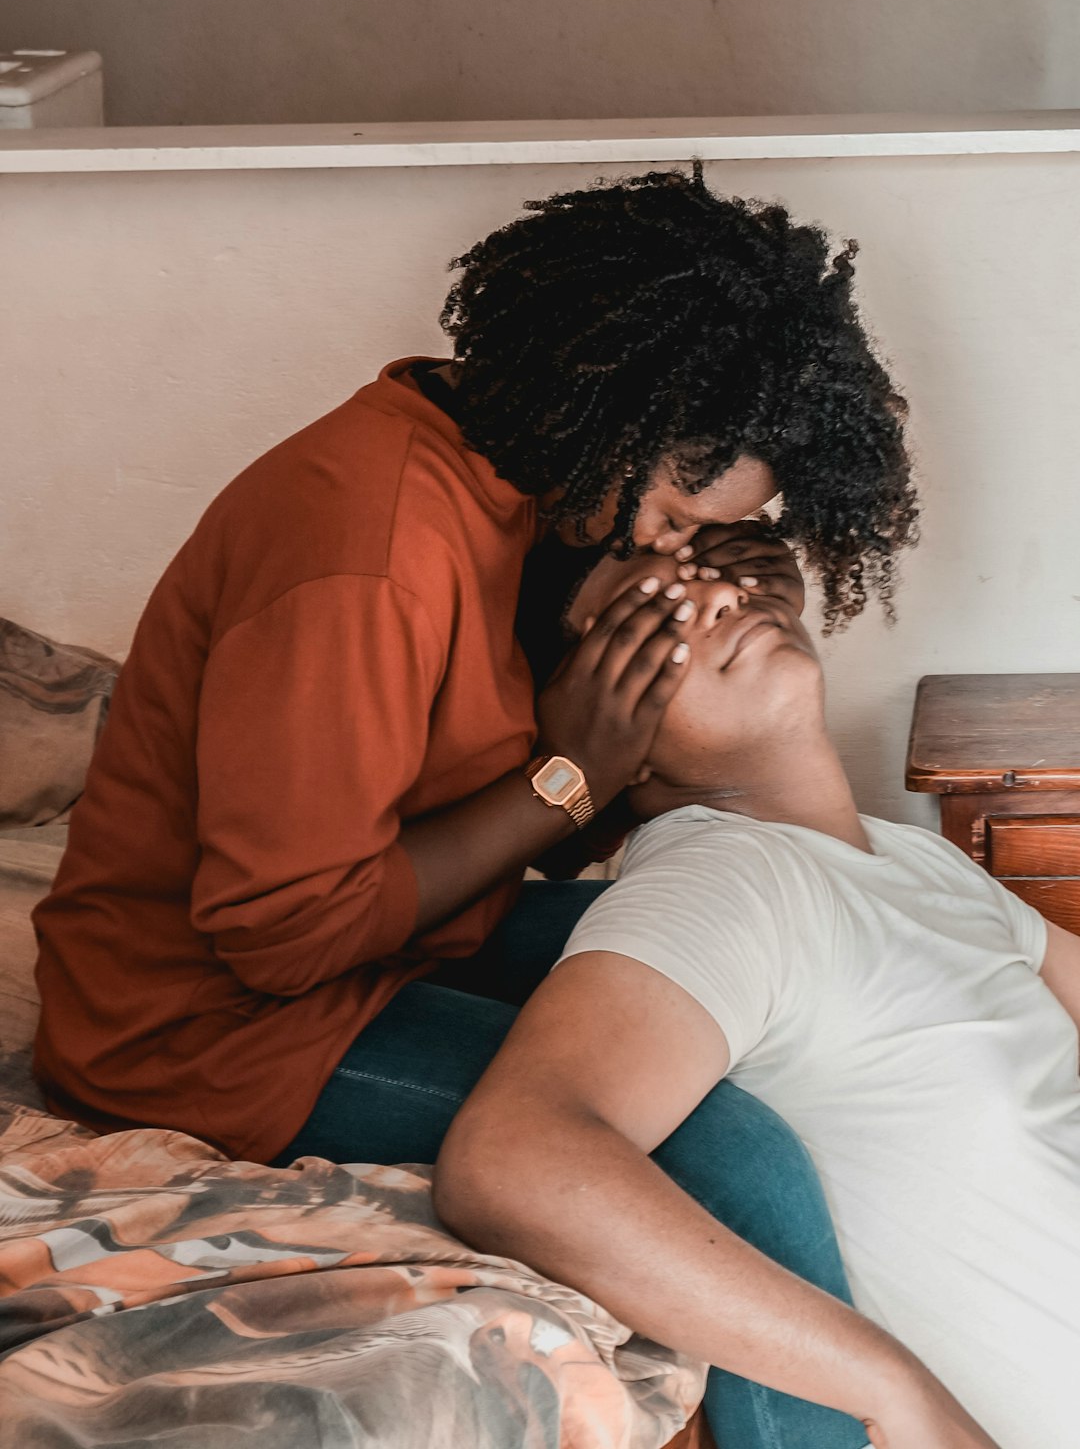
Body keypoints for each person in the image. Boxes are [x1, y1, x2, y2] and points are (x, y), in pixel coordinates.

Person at [33, 165, 915, 1447]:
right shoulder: (368, 552)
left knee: (770, 984)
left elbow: (532, 822)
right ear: (619, 416)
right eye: (676, 513)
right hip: (203, 1023)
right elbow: (283, 938)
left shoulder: (522, 486)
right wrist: (570, 772)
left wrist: (656, 678)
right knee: (728, 1161)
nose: (675, 550)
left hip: (406, 936)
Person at [434, 548, 1080, 1449]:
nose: (722, 595)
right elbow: (510, 1157)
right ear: (602, 729)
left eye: (712, 570)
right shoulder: (726, 880)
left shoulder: (913, 860)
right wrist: (894, 1390)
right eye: (653, 611)